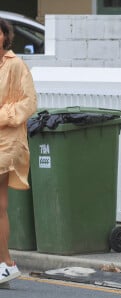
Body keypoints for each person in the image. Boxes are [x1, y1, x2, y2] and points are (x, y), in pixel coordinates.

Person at [0, 18, 37, 284]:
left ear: (4, 37)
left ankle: (7, 262)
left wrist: (2, 115)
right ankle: (7, 263)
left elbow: (29, 102)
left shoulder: (16, 65)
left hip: (7, 141)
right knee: (0, 206)